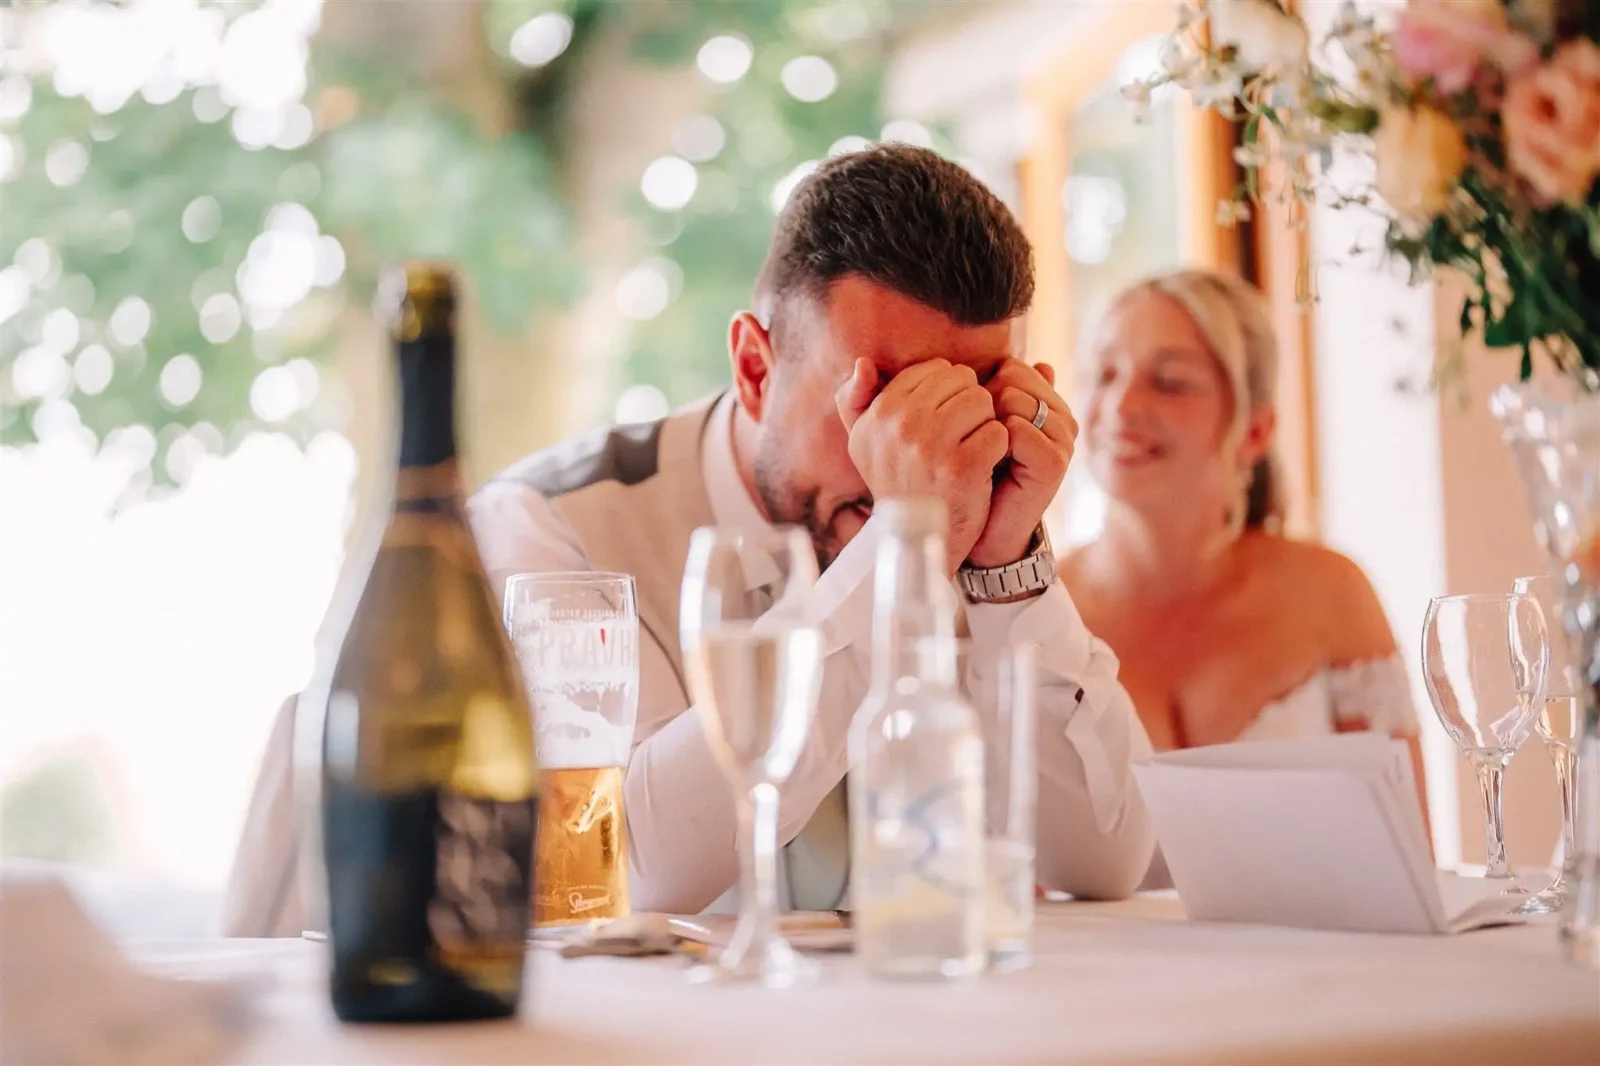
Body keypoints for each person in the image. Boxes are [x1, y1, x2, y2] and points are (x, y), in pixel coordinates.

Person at [219, 144, 1156, 934]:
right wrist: (899, 554)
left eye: (961, 404)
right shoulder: (548, 531)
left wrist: (1011, 563)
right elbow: (623, 867)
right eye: (881, 397)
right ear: (755, 366)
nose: (920, 451)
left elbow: (1104, 860)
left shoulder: (969, 508)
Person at [1060, 269, 1426, 785]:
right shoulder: (1039, 612)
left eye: (1169, 382)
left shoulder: (1330, 595)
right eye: (1105, 374)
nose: (1122, 406)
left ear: (1254, 432)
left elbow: (1406, 854)